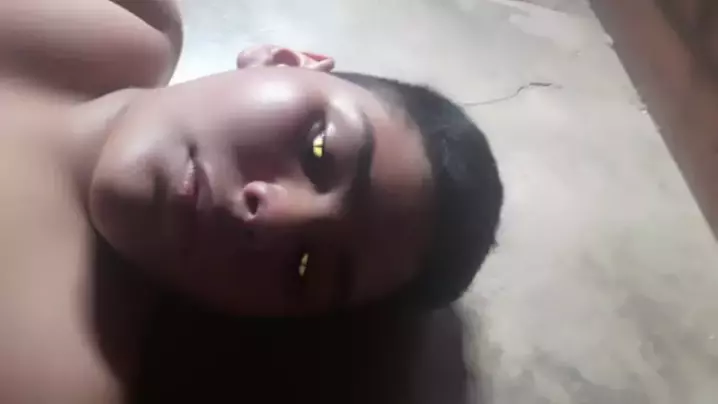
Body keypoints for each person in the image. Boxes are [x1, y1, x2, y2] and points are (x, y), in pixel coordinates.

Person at [0, 0, 502, 402]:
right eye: (318, 150)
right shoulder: (138, 18)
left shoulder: (49, 380)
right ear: (285, 60)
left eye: (303, 269)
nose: (268, 217)